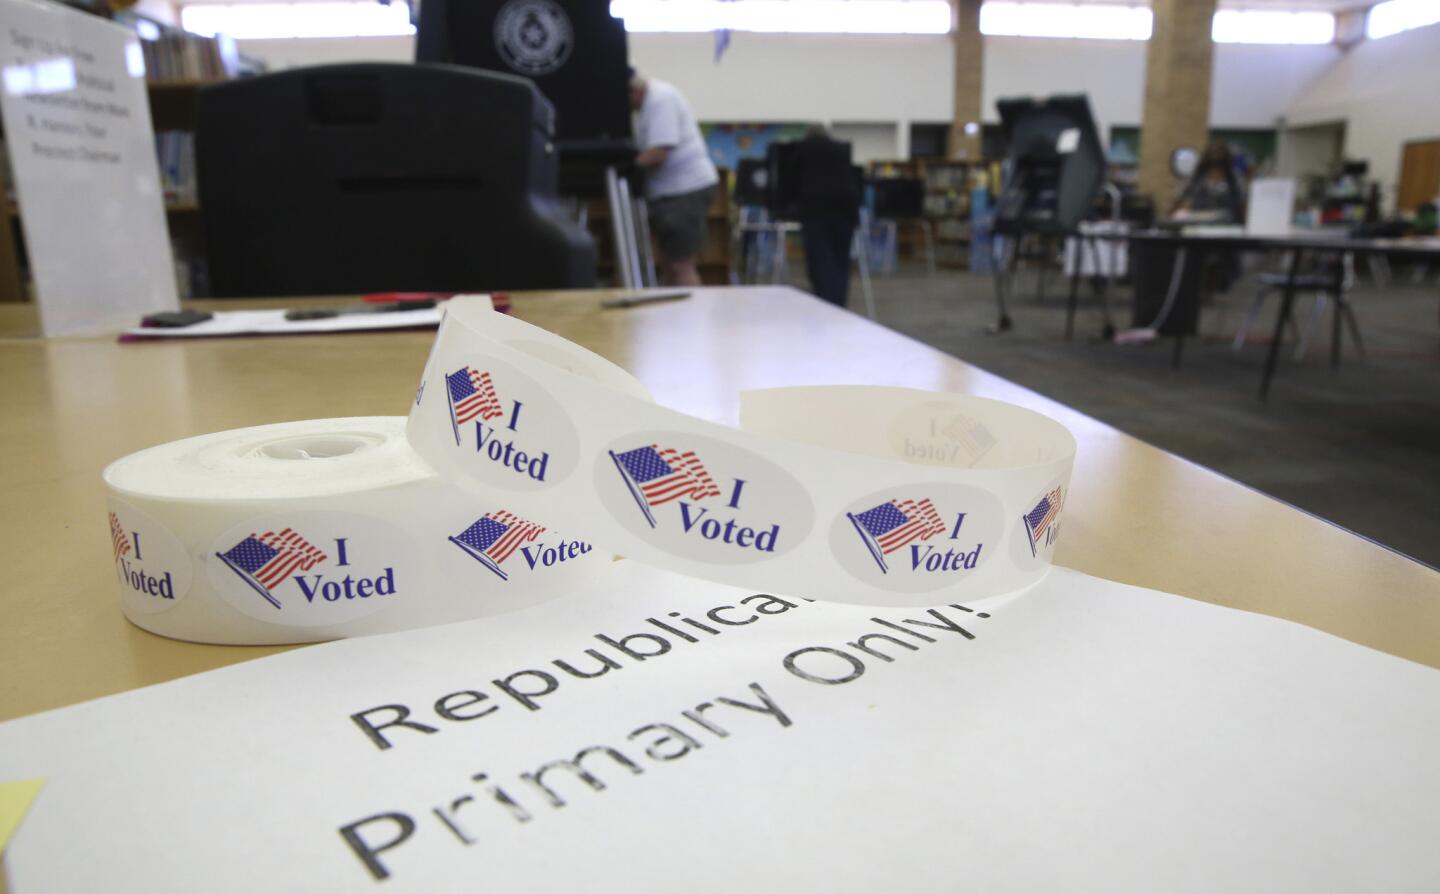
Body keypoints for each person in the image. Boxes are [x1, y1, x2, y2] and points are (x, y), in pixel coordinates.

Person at [629, 70, 719, 286]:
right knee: (669, 264)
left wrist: (629, 167)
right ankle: (672, 318)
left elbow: (659, 152)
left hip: (684, 190)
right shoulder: (650, 103)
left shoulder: (660, 99)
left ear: (634, 92)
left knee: (681, 265)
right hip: (673, 192)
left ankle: (691, 318)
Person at [785, 125, 862, 306]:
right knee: (841, 260)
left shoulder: (804, 148)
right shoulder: (840, 149)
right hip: (846, 210)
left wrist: (790, 206)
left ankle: (825, 303)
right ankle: (839, 303)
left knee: (820, 259)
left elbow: (790, 178)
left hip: (817, 210)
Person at [1170, 141, 1245, 223]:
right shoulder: (1195, 178)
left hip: (1229, 225)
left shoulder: (1235, 179)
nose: (1216, 175)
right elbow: (1181, 201)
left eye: (1220, 170)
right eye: (1213, 170)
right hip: (1198, 223)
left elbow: (1242, 204)